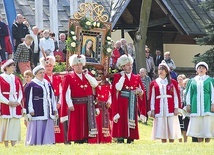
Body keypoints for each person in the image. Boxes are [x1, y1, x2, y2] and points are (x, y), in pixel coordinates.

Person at [60, 54, 98, 144]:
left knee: (86, 122)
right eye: (77, 65)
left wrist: (87, 75)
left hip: (87, 104)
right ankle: (77, 139)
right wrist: (70, 104)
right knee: (76, 123)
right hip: (76, 104)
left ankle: (86, 138)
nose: (79, 67)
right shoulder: (69, 77)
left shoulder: (87, 75)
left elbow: (95, 84)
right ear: (73, 66)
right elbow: (66, 92)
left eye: (80, 64)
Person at [111, 54, 147, 144]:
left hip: (132, 102)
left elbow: (142, 92)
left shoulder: (136, 77)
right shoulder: (118, 76)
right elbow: (117, 88)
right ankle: (120, 138)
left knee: (132, 120)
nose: (130, 66)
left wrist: (140, 91)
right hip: (121, 102)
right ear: (122, 66)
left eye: (130, 64)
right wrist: (123, 77)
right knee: (121, 120)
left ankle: (131, 138)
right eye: (127, 65)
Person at [148, 61, 181, 143]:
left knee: (171, 125)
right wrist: (152, 109)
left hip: (170, 107)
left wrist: (176, 108)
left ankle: (171, 142)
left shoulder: (173, 82)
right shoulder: (154, 83)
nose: (160, 71)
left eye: (162, 69)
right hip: (159, 107)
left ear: (166, 71)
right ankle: (163, 142)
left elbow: (176, 96)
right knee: (162, 126)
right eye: (159, 69)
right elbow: (152, 97)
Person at [25, 65, 58, 145]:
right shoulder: (31, 84)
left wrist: (54, 108)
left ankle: (47, 141)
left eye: (43, 72)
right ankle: (35, 141)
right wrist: (30, 110)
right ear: (36, 74)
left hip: (47, 109)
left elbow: (52, 97)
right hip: (37, 108)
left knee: (47, 122)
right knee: (38, 124)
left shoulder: (48, 83)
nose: (42, 74)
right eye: (40, 73)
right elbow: (28, 98)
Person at [40, 56, 69, 144]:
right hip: (46, 102)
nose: (49, 68)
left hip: (57, 101)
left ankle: (59, 139)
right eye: (47, 66)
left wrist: (59, 102)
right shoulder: (42, 78)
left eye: (50, 66)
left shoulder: (57, 77)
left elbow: (61, 91)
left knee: (58, 120)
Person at [185, 62, 214, 143]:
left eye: (203, 68)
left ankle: (207, 142)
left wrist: (213, 103)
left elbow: (213, 92)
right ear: (196, 70)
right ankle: (199, 142)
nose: (201, 69)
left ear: (206, 70)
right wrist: (188, 104)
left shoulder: (210, 80)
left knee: (207, 124)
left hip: (207, 104)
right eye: (199, 68)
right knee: (198, 125)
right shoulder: (192, 81)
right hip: (195, 105)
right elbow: (189, 93)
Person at [0, 59, 24, 147]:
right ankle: (6, 142)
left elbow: (20, 91)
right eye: (12, 66)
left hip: (15, 102)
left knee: (14, 123)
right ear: (6, 67)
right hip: (5, 104)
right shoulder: (1, 78)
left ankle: (13, 142)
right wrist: (7, 102)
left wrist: (18, 101)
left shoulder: (16, 78)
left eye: (14, 66)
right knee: (6, 123)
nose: (14, 67)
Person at [89, 76, 112, 143]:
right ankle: (95, 139)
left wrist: (109, 101)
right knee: (96, 123)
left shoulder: (108, 84)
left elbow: (110, 94)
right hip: (96, 107)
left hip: (105, 107)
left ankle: (105, 139)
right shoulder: (93, 85)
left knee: (104, 122)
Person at [177, 74, 186, 142]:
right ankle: (179, 140)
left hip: (184, 106)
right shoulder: (176, 88)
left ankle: (185, 140)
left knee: (185, 124)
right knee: (178, 124)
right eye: (178, 79)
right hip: (177, 106)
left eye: (181, 79)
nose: (179, 81)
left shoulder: (186, 88)